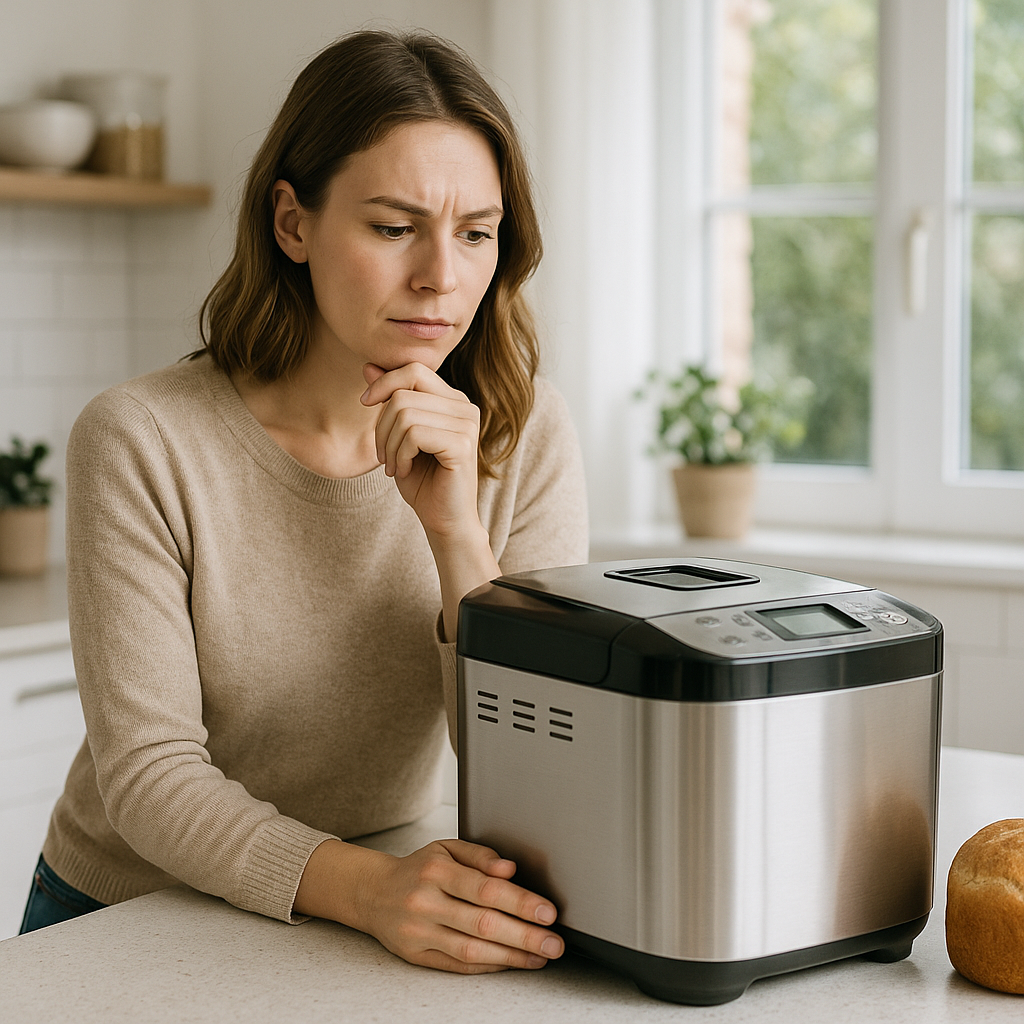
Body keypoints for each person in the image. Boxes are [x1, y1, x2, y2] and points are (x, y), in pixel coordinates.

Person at [19, 30, 588, 975]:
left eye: (476, 233)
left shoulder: (522, 429)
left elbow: (543, 761)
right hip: (130, 910)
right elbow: (151, 777)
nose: (442, 278)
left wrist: (455, 534)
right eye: (393, 227)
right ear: (293, 223)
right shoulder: (141, 438)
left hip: (363, 902)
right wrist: (369, 890)